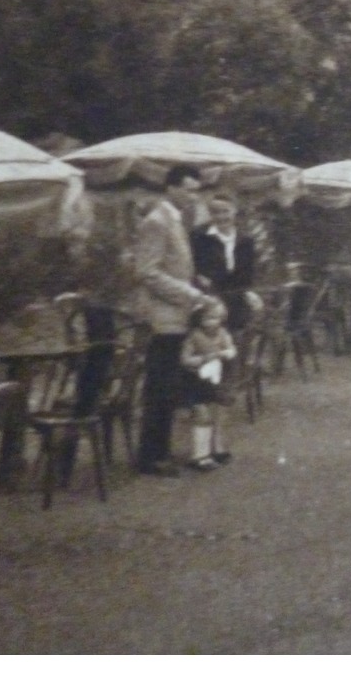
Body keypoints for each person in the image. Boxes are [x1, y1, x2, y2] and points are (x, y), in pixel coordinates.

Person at [134, 164, 216, 477]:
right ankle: (151, 457)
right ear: (171, 188)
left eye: (196, 190)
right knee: (159, 388)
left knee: (167, 387)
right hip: (162, 318)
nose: (193, 196)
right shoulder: (157, 220)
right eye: (188, 189)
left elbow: (173, 265)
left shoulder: (176, 219)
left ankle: (159, 451)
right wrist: (189, 294)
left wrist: (196, 281)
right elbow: (148, 272)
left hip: (176, 316)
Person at [192, 196, 264, 334]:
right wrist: (201, 281)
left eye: (226, 211)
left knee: (243, 330)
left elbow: (247, 273)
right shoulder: (199, 236)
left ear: (234, 211)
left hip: (235, 298)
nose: (221, 216)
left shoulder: (246, 240)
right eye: (215, 212)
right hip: (208, 298)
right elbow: (192, 267)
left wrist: (250, 292)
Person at [179, 301, 237, 471]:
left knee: (216, 413)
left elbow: (231, 349)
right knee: (201, 415)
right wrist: (204, 358)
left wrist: (226, 352)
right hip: (194, 381)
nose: (213, 322)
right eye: (208, 318)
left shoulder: (223, 334)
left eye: (217, 318)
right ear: (199, 319)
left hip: (214, 380)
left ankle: (213, 450)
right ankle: (199, 456)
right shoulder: (193, 336)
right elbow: (184, 359)